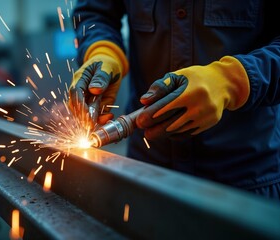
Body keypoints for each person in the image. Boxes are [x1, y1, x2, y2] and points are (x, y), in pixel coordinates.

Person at [68, 0, 280, 201]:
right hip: (145, 177)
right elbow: (96, 12)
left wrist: (234, 81)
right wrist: (102, 50)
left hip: (245, 184)